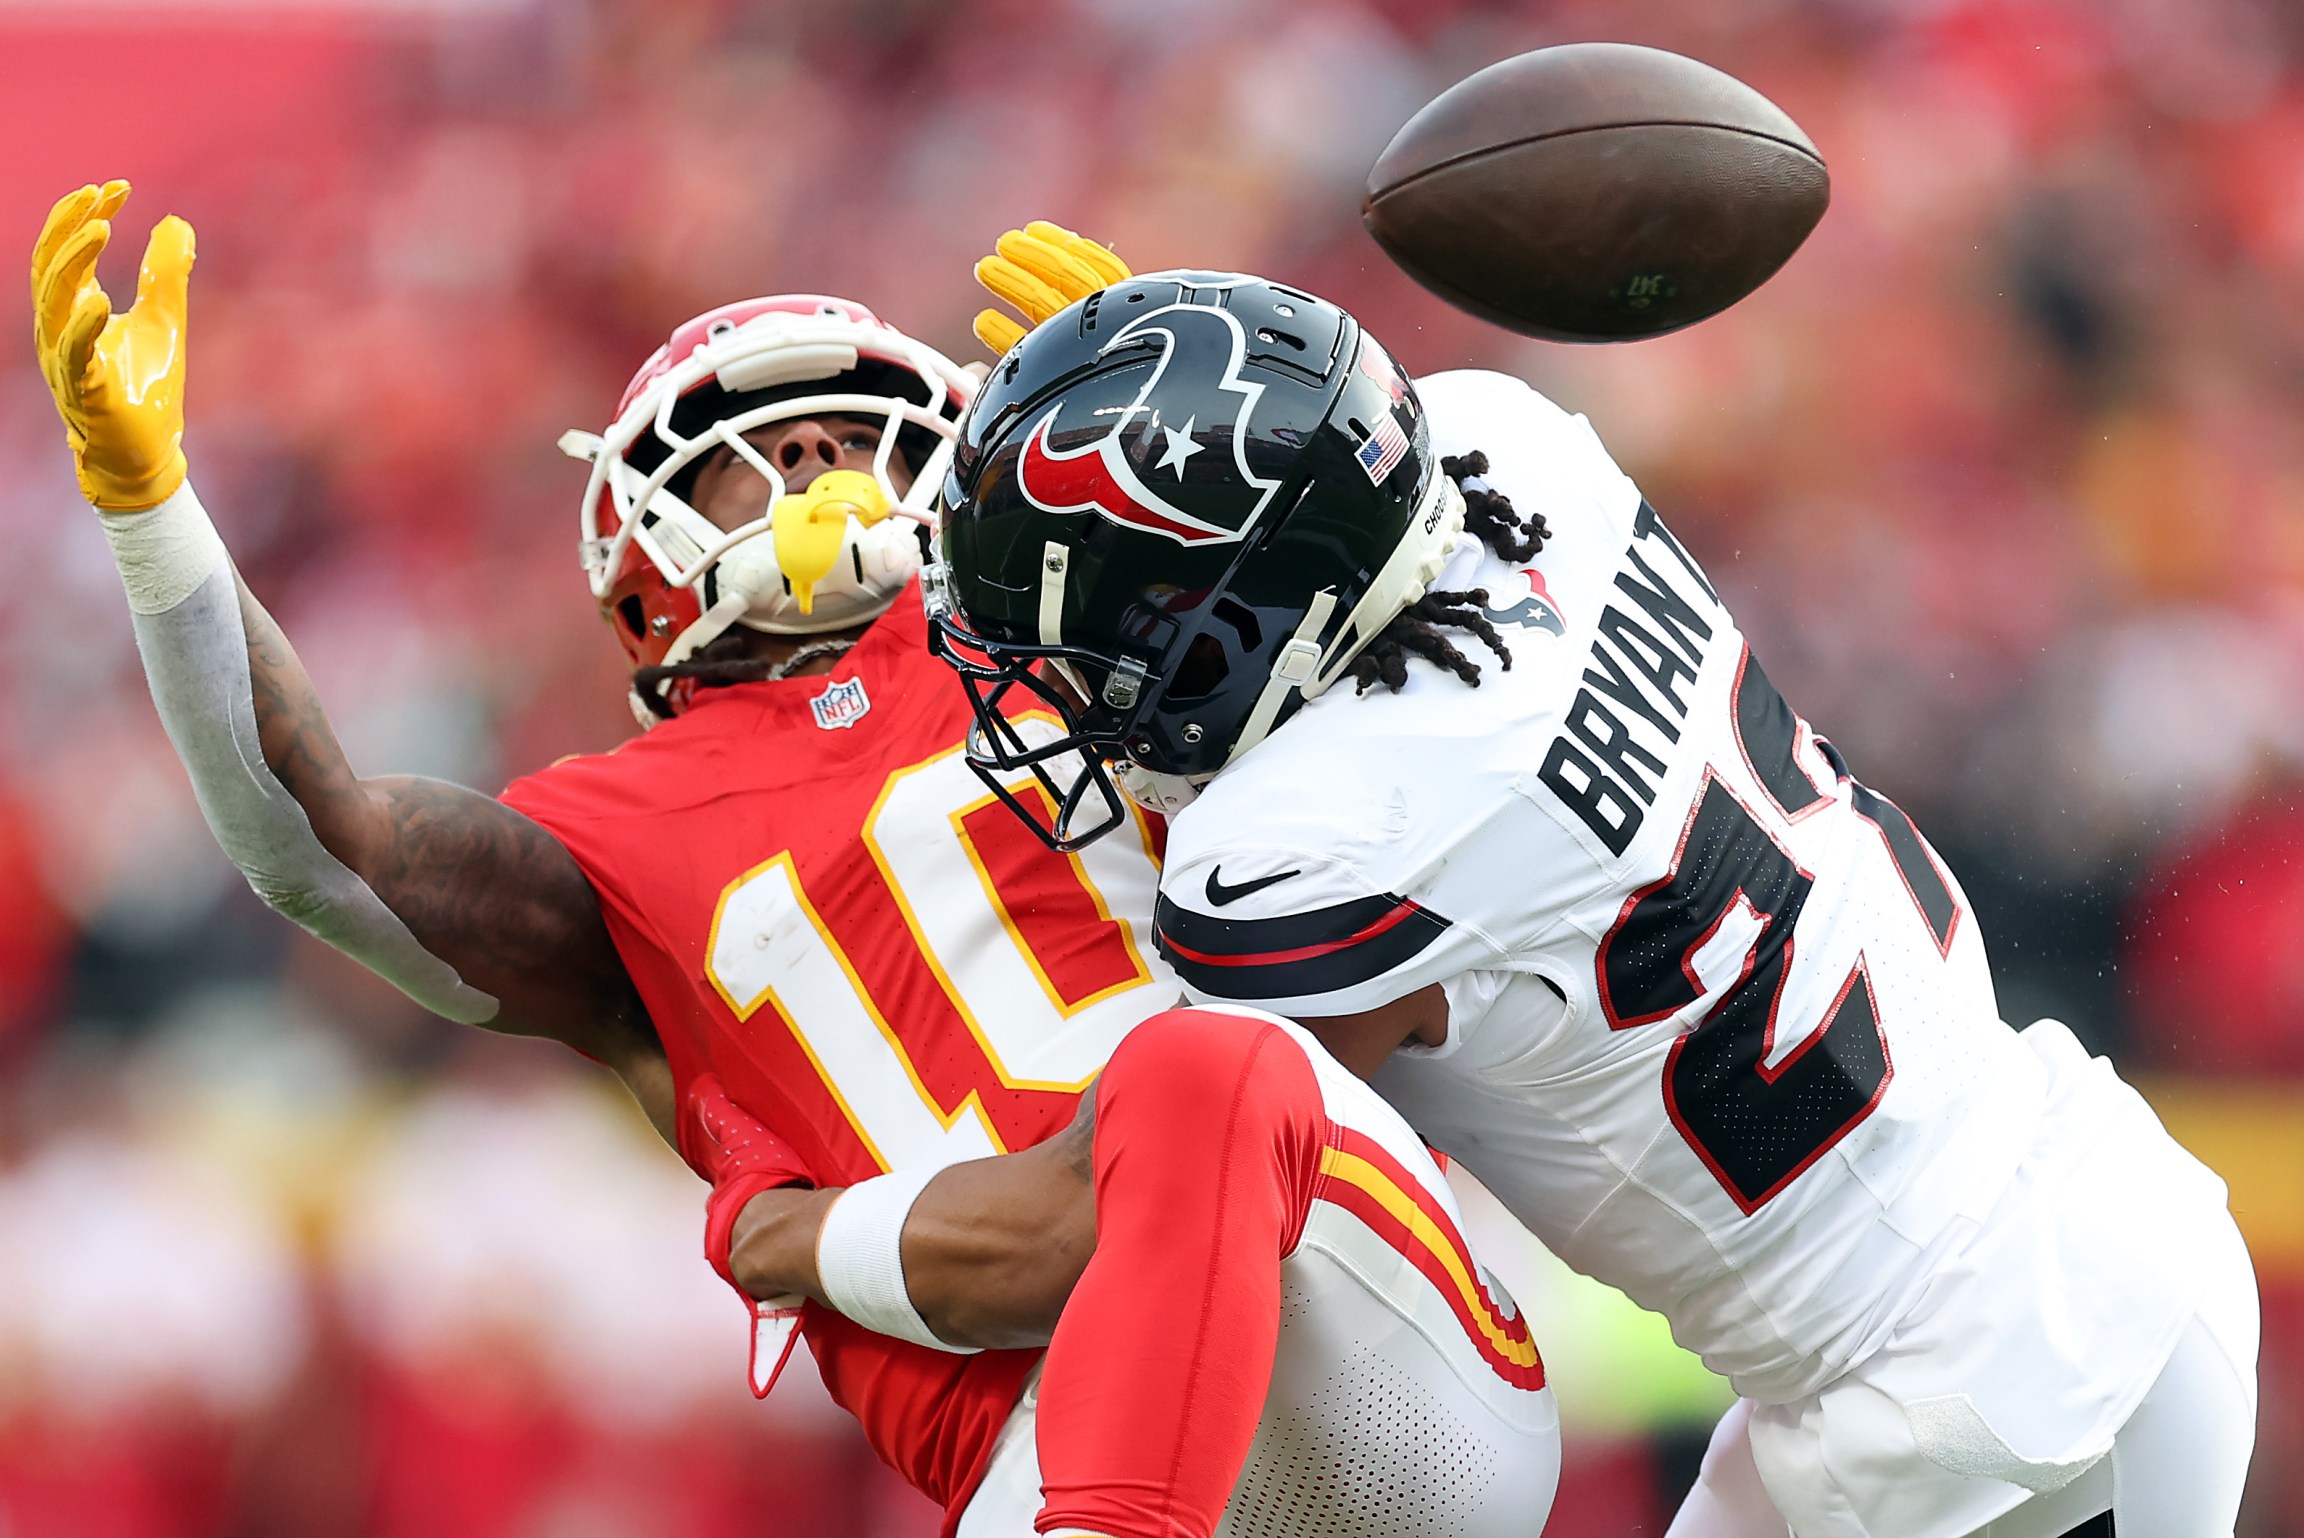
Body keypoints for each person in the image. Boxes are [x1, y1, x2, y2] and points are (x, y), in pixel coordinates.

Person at [29, 183, 1558, 1538]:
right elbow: (322, 841)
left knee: (1208, 1082)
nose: (822, 467)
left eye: (860, 435)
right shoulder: (613, 833)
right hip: (1042, 1441)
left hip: (1357, 1318)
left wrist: (1196, 444)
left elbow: (1412, 650)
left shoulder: (1086, 635)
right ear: (644, 539)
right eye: (755, 452)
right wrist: (154, 521)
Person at [919, 263, 2261, 1538]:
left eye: (1094, 656)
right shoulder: (1514, 451)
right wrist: (1191, 420)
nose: (1069, 699)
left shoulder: (1306, 849)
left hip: (1969, 1413)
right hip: (2087, 1206)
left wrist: (800, 1240)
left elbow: (1122, 1203)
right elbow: (1334, 481)